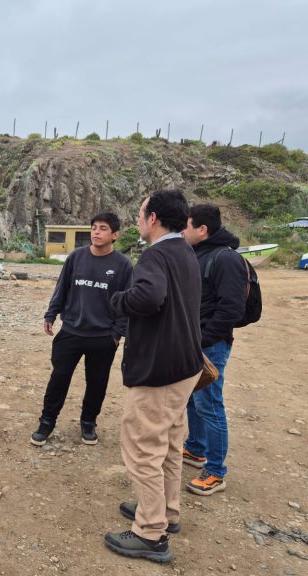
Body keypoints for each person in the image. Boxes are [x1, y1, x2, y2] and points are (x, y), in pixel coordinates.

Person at [104, 190, 203, 563]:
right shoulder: (185, 251)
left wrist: (117, 300)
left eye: (140, 213)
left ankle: (150, 535)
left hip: (160, 370)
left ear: (154, 218)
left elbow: (147, 298)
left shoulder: (157, 254)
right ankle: (166, 512)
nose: (137, 221)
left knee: (143, 448)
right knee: (169, 444)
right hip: (184, 366)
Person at [31, 213, 133, 447]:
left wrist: (117, 333)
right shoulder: (76, 257)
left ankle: (88, 422)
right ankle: (47, 422)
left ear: (115, 235)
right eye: (94, 227)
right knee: (58, 379)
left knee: (97, 383)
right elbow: (62, 288)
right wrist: (51, 314)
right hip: (71, 333)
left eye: (103, 228)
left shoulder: (123, 265)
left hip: (103, 337)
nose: (96, 232)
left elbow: (127, 303)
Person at [181, 204, 247, 496]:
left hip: (212, 345)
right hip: (195, 341)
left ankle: (216, 472)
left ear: (202, 230)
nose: (183, 232)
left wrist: (205, 339)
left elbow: (231, 308)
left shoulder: (226, 258)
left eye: (187, 226)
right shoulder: (199, 253)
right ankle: (196, 449)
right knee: (192, 400)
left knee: (210, 405)